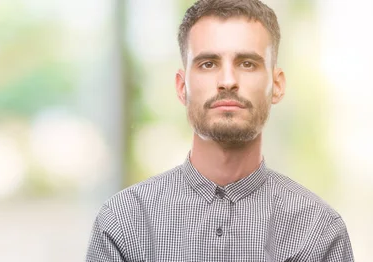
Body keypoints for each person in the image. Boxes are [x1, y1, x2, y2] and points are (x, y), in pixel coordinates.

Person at [86, 0, 354, 261]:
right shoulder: (124, 222)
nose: (228, 81)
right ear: (182, 87)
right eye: (208, 64)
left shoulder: (318, 232)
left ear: (277, 85)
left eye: (247, 63)